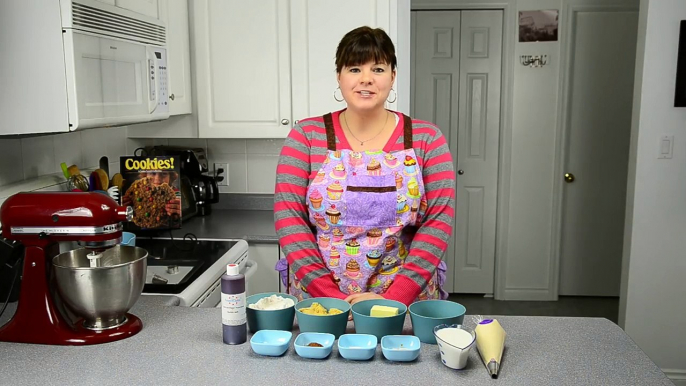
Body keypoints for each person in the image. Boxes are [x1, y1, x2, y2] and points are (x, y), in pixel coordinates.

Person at [274, 26, 455, 307]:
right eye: (355, 68)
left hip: (403, 305)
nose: (366, 80)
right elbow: (289, 220)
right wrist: (331, 298)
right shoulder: (306, 136)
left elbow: (438, 222)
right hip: (320, 305)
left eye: (379, 69)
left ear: (393, 76)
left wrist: (394, 299)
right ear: (339, 75)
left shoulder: (426, 139)